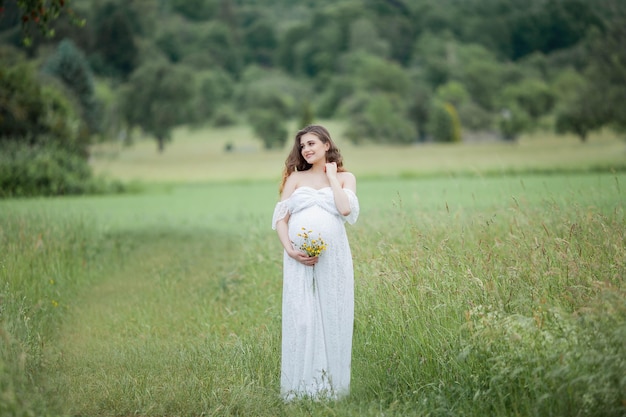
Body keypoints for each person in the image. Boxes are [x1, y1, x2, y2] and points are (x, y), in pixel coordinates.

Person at [271, 124, 359, 401]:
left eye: (311, 143)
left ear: (326, 144)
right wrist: (291, 250)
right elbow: (280, 220)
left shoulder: (345, 177)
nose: (306, 150)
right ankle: (299, 388)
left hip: (333, 259)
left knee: (333, 315)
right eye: (302, 146)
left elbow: (345, 210)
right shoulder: (295, 179)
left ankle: (333, 388)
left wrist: (332, 176)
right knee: (302, 318)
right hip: (298, 259)